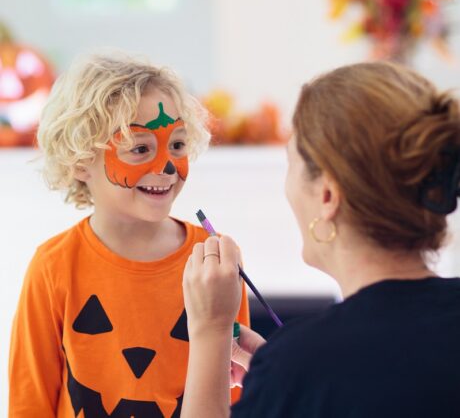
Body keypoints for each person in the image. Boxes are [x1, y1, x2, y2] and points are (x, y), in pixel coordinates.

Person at [180, 61, 460, 418]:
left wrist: (209, 332)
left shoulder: (300, 368)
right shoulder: (299, 368)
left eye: (290, 162)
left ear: (327, 195)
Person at [8, 52, 250, 418]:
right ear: (80, 161)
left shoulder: (211, 263)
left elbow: (233, 396)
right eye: (140, 148)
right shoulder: (53, 266)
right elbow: (30, 403)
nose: (167, 166)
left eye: (178, 146)